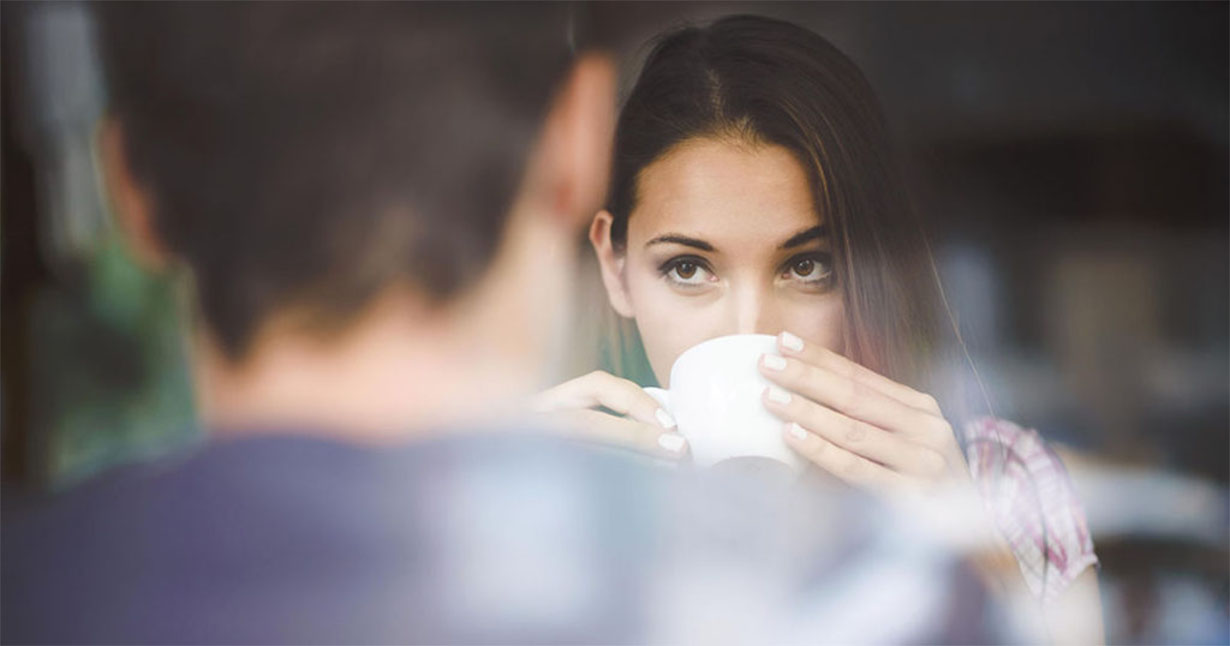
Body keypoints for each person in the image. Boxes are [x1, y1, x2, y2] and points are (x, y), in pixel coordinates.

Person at [533, 14, 1103, 644]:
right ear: (615, 269)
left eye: (807, 266)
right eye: (688, 268)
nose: (747, 329)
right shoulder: (555, 506)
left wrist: (962, 545)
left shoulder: (1006, 489)